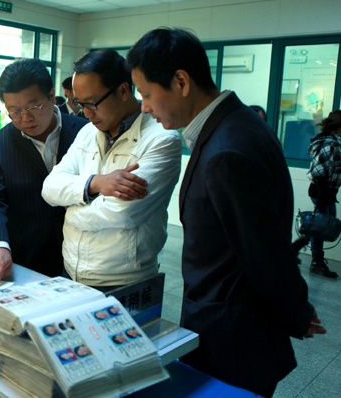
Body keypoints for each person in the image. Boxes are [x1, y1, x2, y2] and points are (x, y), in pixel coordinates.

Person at [127, 27, 325, 398]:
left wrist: (297, 311)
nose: (144, 107)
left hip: (232, 341)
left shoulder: (226, 151)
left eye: (147, 93)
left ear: (181, 82)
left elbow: (262, 252)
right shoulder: (239, 123)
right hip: (236, 329)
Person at [42, 50, 181, 291]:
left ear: (123, 91)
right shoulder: (88, 132)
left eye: (92, 103)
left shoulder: (161, 139)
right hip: (71, 270)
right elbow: (49, 187)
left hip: (123, 279)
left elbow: (122, 213)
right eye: (80, 104)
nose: (86, 113)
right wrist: (94, 183)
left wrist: (69, 209)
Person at [0, 59, 88, 287]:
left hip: (84, 255)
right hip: (28, 258)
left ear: (52, 96)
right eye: (14, 111)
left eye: (33, 107)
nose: (25, 118)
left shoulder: (86, 132)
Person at [292, 110, 341, 278]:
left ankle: (314, 257)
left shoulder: (331, 141)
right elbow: (319, 171)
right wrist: (325, 189)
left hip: (326, 191)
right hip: (322, 190)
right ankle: (316, 262)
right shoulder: (330, 143)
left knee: (324, 225)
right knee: (321, 227)